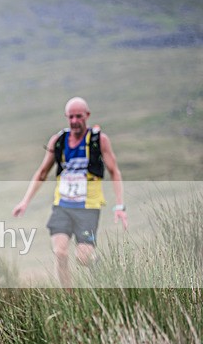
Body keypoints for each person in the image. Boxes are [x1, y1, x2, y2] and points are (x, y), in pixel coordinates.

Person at [12, 97, 128, 289]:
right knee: (60, 253)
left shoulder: (99, 140)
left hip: (88, 208)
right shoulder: (58, 141)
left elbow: (114, 171)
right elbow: (42, 173)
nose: (74, 121)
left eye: (79, 116)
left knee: (83, 258)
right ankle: (70, 298)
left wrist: (120, 205)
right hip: (62, 206)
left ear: (87, 115)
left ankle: (101, 268)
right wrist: (25, 202)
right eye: (71, 117)